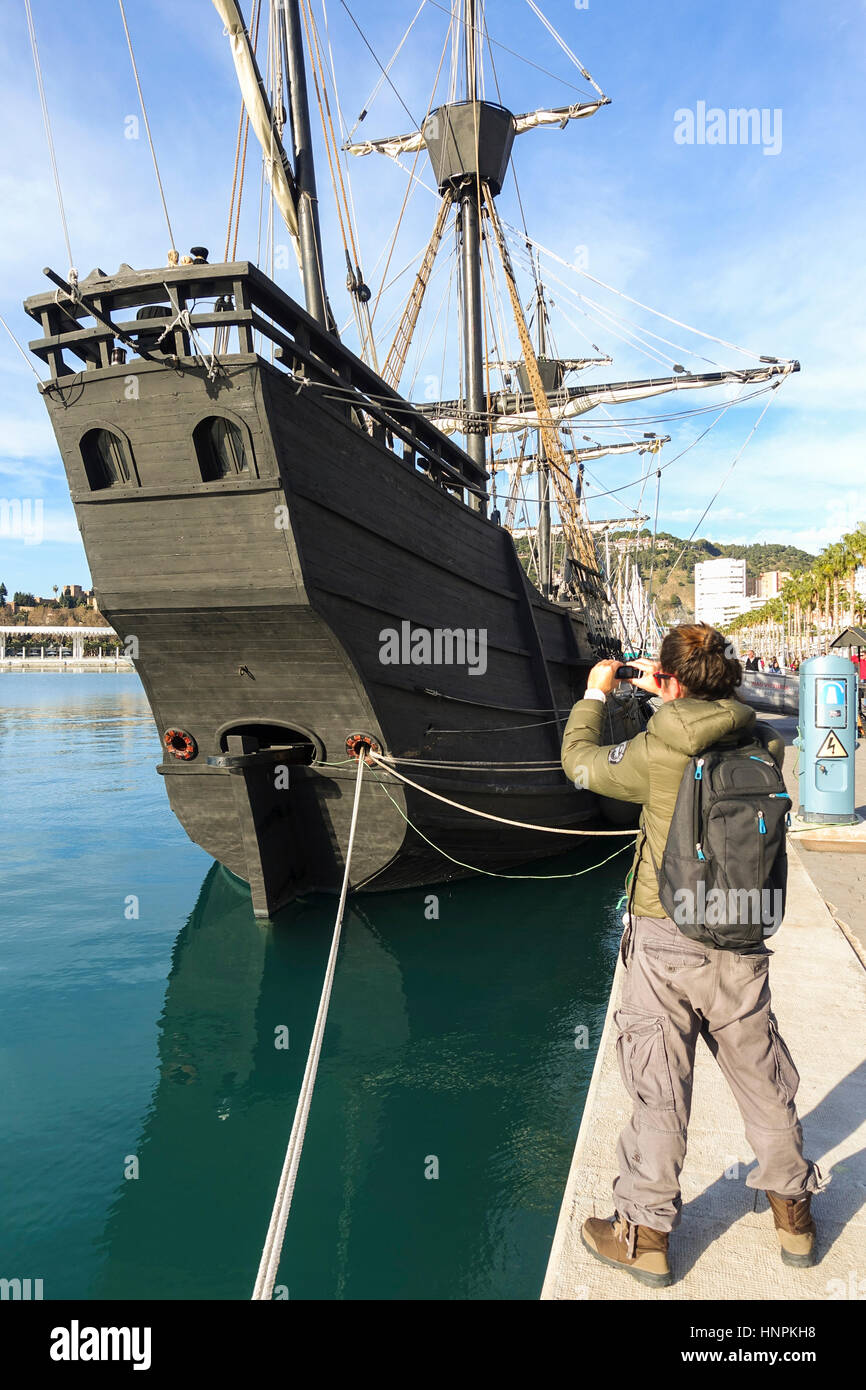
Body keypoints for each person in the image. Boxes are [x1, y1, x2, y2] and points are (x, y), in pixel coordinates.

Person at [560, 622, 825, 1288]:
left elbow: (582, 764)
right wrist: (675, 690)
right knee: (763, 1077)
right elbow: (712, 719)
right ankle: (793, 1216)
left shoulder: (656, 749)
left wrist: (597, 694)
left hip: (666, 935)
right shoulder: (763, 736)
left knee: (658, 1088)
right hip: (741, 936)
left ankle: (644, 1237)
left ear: (673, 682)